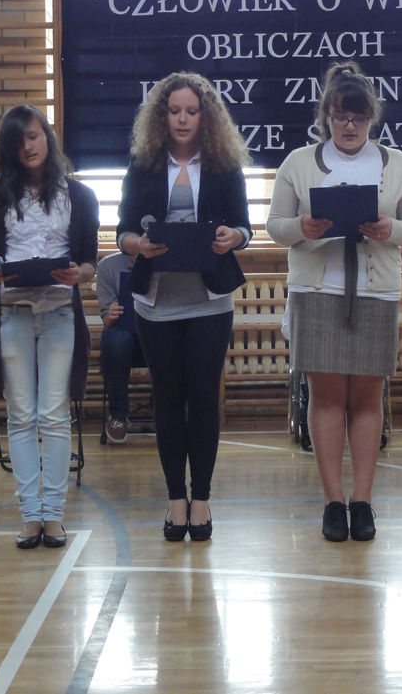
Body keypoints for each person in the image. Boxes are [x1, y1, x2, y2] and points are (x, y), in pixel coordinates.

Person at [267, 61, 402, 543]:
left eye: (358, 118)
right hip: (317, 290)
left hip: (375, 290)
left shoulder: (396, 164)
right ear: (326, 118)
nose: (349, 126)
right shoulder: (298, 162)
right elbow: (275, 226)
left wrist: (388, 229)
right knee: (326, 397)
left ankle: (363, 500)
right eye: (340, 117)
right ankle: (333, 502)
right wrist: (304, 227)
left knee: (368, 396)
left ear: (372, 118)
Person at [116, 72, 252, 543]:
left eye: (191, 111)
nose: (182, 119)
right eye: (174, 111)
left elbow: (244, 227)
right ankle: (176, 498)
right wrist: (137, 245)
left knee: (204, 398)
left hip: (210, 300)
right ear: (161, 115)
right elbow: (122, 231)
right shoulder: (143, 165)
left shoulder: (223, 165)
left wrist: (232, 237)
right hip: (156, 301)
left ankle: (203, 499)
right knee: (168, 398)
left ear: (205, 116)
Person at [0, 105, 99, 550]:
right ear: (9, 149)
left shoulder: (79, 195)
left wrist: (79, 274)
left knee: (54, 415)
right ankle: (30, 515)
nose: (28, 146)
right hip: (12, 312)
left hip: (60, 311)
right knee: (21, 415)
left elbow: (89, 261)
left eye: (33, 136)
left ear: (47, 136)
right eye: (18, 141)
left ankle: (54, 515)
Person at [95, 251, 145, 444]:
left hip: (159, 331)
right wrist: (111, 313)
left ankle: (169, 411)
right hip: (124, 333)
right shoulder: (108, 265)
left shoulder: (167, 260)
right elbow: (107, 321)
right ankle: (118, 415)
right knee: (116, 341)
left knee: (176, 339)